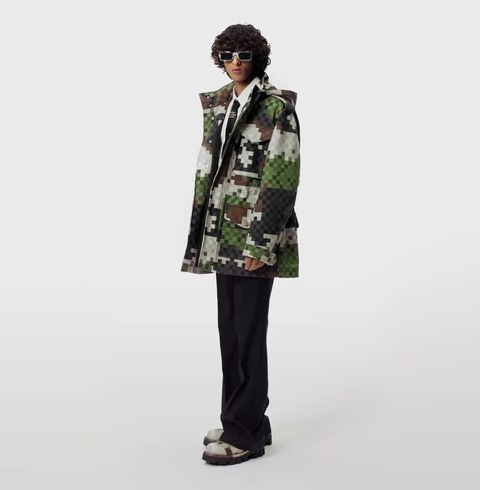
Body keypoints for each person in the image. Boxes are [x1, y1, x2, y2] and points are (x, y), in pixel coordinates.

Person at [180, 23, 301, 465]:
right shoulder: (220, 104)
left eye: (244, 55)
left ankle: (244, 433)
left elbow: (282, 177)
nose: (235, 62)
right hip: (221, 237)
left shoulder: (275, 108)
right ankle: (244, 420)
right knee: (230, 334)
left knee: (248, 336)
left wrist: (261, 244)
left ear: (257, 59)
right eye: (228, 54)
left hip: (253, 239)